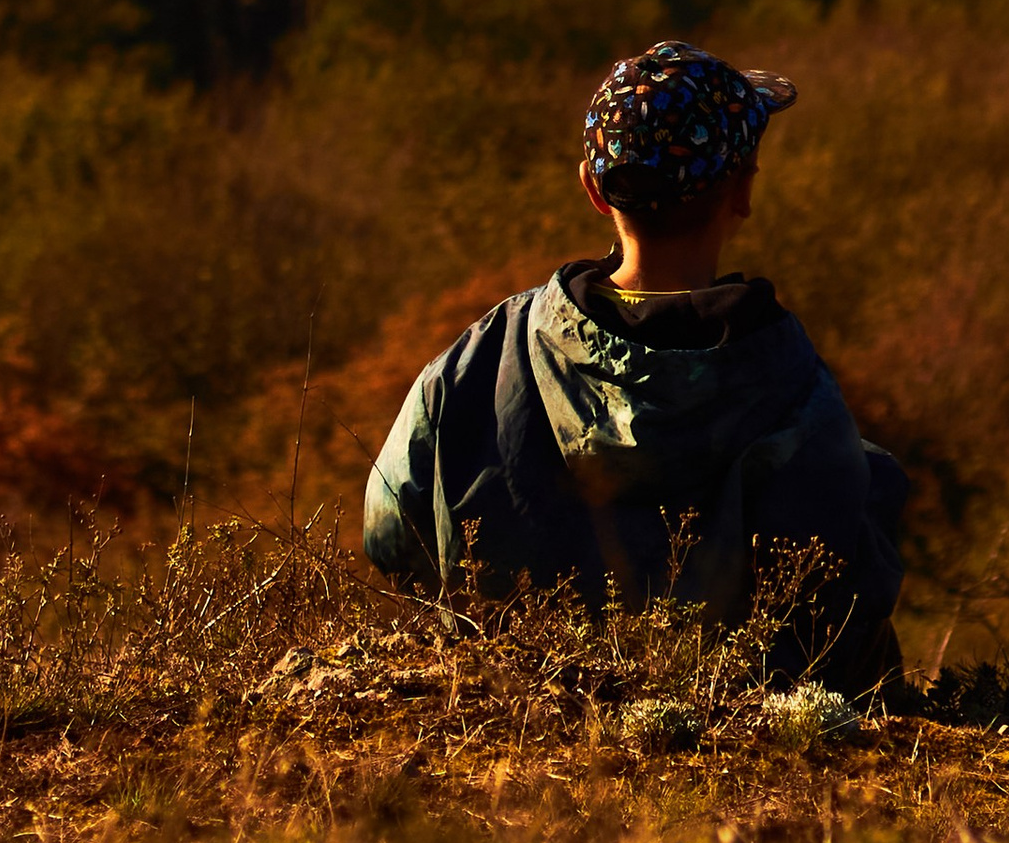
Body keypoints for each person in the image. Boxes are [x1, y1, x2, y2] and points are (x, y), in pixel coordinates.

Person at [363, 38, 906, 689]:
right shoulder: (794, 387)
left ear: (593, 189)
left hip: (513, 722)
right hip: (732, 755)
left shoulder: (483, 357)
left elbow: (390, 529)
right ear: (742, 190)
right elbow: (841, 606)